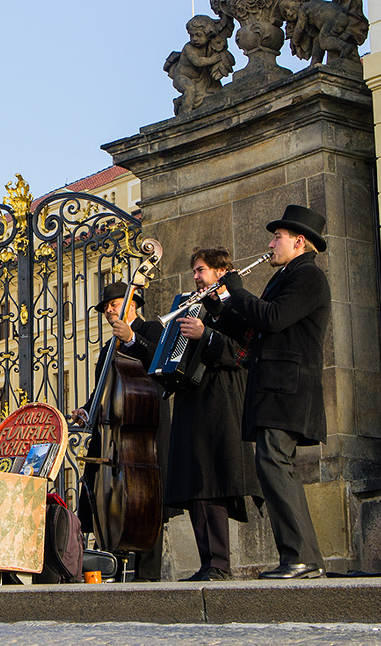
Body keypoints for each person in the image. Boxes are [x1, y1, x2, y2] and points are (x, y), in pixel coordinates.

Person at [204, 205, 331, 579]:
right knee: (276, 467)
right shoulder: (286, 276)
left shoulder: (308, 277)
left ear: (299, 241)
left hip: (287, 389)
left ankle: (299, 557)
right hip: (273, 389)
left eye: (278, 237)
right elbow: (254, 327)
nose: (271, 243)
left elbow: (272, 318)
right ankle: (304, 557)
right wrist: (220, 307)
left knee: (274, 465)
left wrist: (237, 291)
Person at [164, 248, 262, 581]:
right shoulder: (193, 304)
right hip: (192, 399)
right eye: (193, 270)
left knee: (214, 482)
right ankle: (207, 563)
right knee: (195, 482)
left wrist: (205, 334)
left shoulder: (238, 303)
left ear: (222, 271)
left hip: (221, 398)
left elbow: (241, 352)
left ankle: (220, 564)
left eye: (201, 270)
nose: (195, 276)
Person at [71, 281, 169, 581]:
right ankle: (106, 567)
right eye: (105, 308)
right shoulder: (107, 345)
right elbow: (103, 388)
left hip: (144, 426)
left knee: (147, 500)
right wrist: (88, 409)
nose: (109, 311)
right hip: (114, 429)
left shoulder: (152, 329)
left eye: (113, 304)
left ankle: (147, 574)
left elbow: (160, 362)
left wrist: (132, 339)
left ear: (133, 304)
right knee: (104, 500)